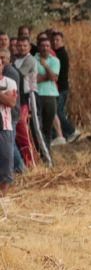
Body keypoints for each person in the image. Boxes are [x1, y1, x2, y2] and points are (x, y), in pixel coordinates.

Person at [13, 35, 38, 167]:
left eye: (25, 46)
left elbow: (18, 74)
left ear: (29, 47)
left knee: (29, 131)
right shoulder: (16, 61)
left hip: (29, 96)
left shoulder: (30, 60)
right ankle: (25, 162)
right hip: (18, 97)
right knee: (21, 132)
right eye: (20, 46)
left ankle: (34, 164)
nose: (22, 48)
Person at [50, 31, 78, 142]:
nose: (55, 42)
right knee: (59, 111)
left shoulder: (61, 54)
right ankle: (66, 134)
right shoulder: (57, 53)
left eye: (57, 40)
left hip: (61, 89)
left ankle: (72, 131)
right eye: (53, 40)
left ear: (62, 41)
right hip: (60, 88)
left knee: (57, 112)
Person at [34, 36, 60, 148]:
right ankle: (38, 153)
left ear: (50, 48)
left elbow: (54, 78)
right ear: (38, 47)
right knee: (36, 127)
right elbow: (34, 79)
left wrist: (45, 65)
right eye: (43, 46)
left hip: (50, 96)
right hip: (36, 95)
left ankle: (47, 154)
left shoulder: (55, 60)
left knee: (47, 128)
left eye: (47, 46)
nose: (45, 48)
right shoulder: (32, 60)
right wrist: (48, 76)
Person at [0, 52, 18, 195]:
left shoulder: (9, 82)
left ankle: (4, 195)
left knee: (6, 161)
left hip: (5, 127)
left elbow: (11, 102)